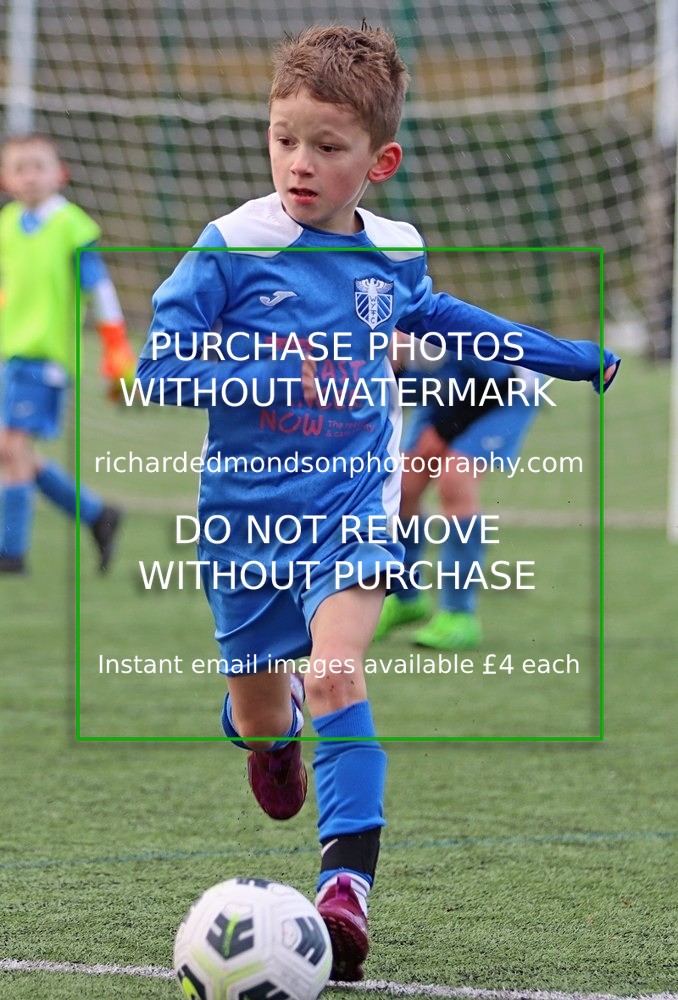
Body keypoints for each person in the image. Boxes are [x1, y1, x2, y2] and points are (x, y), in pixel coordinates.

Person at [136, 25, 619, 982]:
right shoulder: (231, 244)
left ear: (380, 161)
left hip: (355, 509)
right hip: (245, 525)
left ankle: (345, 889)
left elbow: (442, 318)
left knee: (338, 678)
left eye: (326, 146)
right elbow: (160, 366)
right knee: (272, 716)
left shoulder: (394, 252)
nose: (299, 164)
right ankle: (264, 739)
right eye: (283, 139)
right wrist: (271, 366)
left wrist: (562, 353)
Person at [0, 133, 135, 574]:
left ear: (60, 174)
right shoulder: (7, 225)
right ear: (6, 178)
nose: (29, 176)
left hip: (48, 361)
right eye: (20, 168)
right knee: (15, 453)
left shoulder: (71, 226)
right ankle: (98, 515)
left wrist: (115, 346)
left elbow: (99, 287)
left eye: (38, 166)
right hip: (11, 356)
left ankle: (11, 554)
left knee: (10, 447)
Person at [374, 334, 543, 649]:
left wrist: (442, 432)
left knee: (455, 478)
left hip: (506, 391)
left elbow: (501, 382)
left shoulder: (444, 336)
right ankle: (406, 599)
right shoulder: (366, 346)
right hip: (447, 394)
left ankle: (459, 616)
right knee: (402, 485)